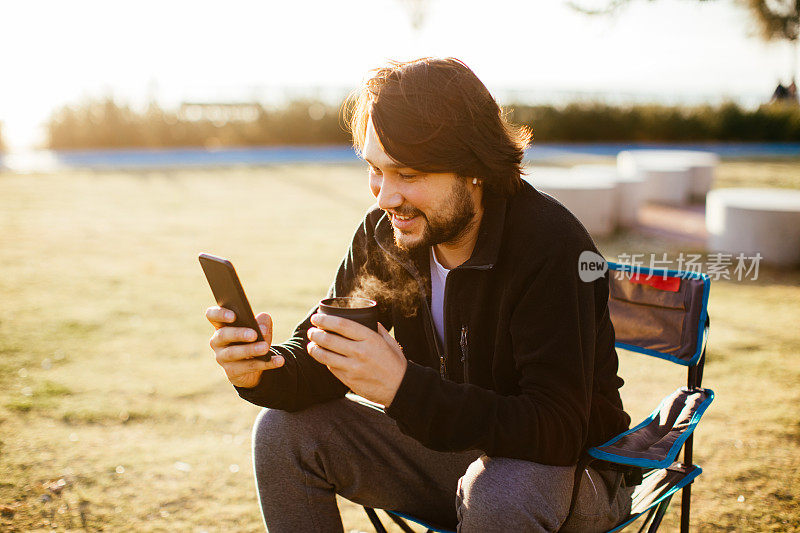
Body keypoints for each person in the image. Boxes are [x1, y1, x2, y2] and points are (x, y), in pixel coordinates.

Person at [205, 58, 634, 532]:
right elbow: (325, 355)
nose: (385, 197)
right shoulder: (386, 234)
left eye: (407, 174)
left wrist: (402, 387)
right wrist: (262, 369)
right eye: (375, 169)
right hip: (451, 459)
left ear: (473, 166)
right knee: (282, 432)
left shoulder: (551, 245)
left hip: (573, 473)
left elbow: (557, 429)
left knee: (497, 492)